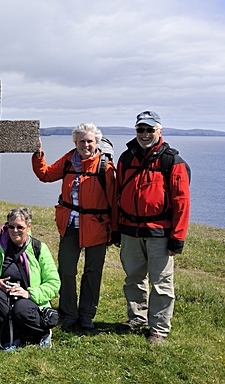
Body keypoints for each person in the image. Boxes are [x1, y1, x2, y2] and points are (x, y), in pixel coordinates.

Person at [114, 111, 190, 345]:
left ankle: (158, 329)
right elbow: (116, 194)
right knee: (133, 277)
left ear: (160, 131)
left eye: (150, 130)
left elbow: (182, 201)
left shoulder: (172, 161)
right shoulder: (126, 158)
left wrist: (177, 238)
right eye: (140, 130)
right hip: (129, 230)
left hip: (160, 233)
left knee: (161, 283)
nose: (145, 134)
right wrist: (117, 229)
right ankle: (136, 318)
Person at [31, 123, 116, 330]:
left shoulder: (105, 166)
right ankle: (68, 314)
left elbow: (114, 200)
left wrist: (115, 231)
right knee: (67, 271)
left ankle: (86, 315)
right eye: (81, 141)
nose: (85, 145)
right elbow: (45, 175)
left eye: (90, 141)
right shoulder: (69, 160)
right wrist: (38, 154)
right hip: (70, 226)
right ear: (75, 142)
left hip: (97, 227)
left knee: (92, 272)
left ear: (97, 142)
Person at [0, 207, 61, 350]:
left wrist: (28, 293)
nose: (15, 230)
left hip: (28, 298)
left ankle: (42, 334)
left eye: (20, 227)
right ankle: (10, 339)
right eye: (11, 226)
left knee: (20, 310)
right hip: (3, 294)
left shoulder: (39, 248)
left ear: (29, 227)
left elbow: (54, 283)